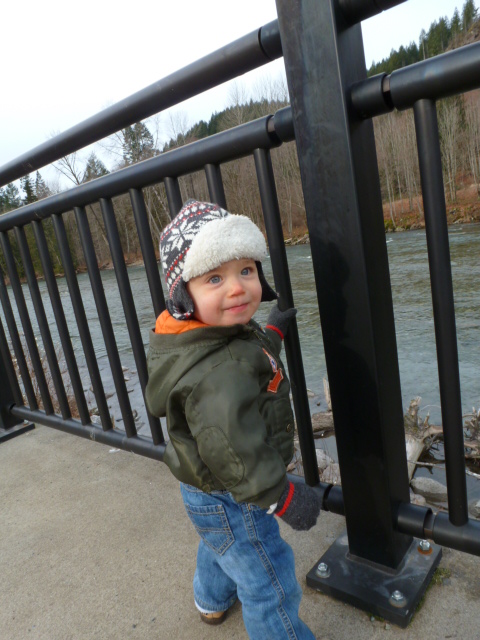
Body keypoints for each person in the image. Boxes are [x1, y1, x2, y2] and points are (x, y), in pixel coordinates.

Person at [145, 199, 320, 640]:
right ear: (184, 295)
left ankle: (210, 600)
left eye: (246, 270)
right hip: (236, 490)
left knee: (221, 542)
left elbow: (244, 360)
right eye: (215, 278)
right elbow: (236, 451)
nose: (238, 288)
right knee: (268, 580)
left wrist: (271, 335)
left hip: (205, 487)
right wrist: (281, 497)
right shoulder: (216, 374)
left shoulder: (200, 337)